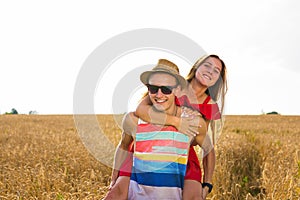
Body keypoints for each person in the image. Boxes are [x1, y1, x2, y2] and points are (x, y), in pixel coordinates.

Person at [104, 59, 209, 199]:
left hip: (181, 160)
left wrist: (207, 184)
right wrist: (114, 178)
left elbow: (207, 145)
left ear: (177, 90)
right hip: (142, 157)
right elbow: (124, 143)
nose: (159, 94)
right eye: (153, 88)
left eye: (166, 89)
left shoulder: (188, 113)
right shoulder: (140, 113)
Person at [135, 55, 228, 199]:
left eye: (216, 71)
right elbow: (141, 110)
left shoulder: (210, 106)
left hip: (183, 155)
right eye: (207, 65)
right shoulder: (173, 85)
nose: (210, 71)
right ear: (196, 66)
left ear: (218, 80)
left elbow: (202, 142)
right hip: (151, 147)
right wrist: (178, 121)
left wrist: (207, 184)